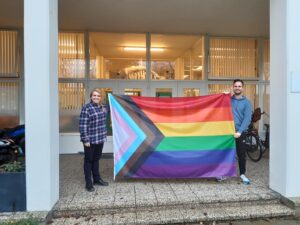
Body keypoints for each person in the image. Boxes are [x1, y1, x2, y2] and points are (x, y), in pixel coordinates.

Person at [217, 79, 252, 184]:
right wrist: (223, 96)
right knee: (225, 153)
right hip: (228, 131)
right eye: (235, 86)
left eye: (239, 86)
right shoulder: (228, 100)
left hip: (240, 132)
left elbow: (247, 118)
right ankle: (223, 174)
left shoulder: (247, 102)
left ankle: (242, 174)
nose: (237, 88)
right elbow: (219, 108)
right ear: (233, 87)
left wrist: (240, 131)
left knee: (241, 154)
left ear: (243, 88)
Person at [79, 89, 109, 192]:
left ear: (101, 97)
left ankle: (97, 179)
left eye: (98, 96)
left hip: (100, 138)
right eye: (94, 95)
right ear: (91, 97)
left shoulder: (103, 108)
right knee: (88, 160)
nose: (96, 97)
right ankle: (89, 183)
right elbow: (83, 125)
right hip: (90, 140)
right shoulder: (86, 108)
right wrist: (85, 139)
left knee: (96, 159)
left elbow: (112, 110)